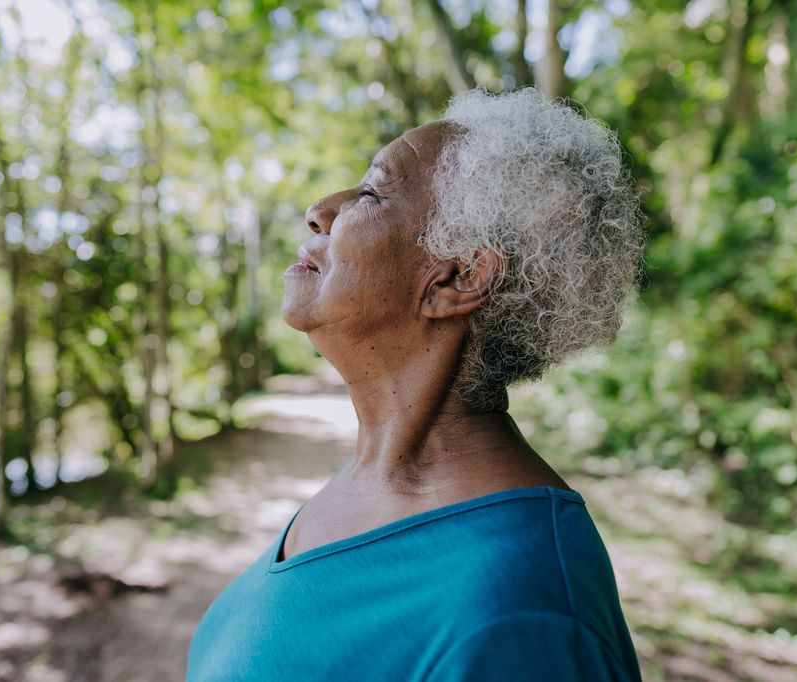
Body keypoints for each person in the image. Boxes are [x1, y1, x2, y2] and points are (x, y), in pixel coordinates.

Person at [186, 88, 645, 681]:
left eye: (372, 193)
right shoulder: (369, 480)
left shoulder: (522, 612)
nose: (321, 208)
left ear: (455, 278)